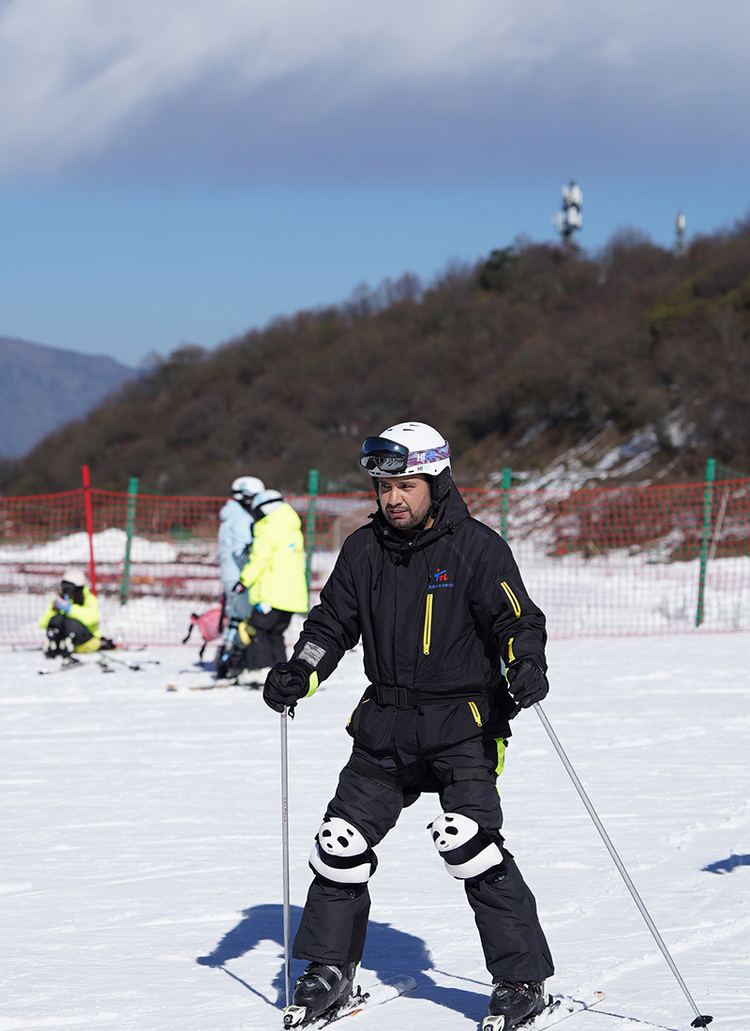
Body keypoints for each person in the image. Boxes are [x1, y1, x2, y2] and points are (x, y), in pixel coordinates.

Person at [263, 422, 554, 1028]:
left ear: (436, 480)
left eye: (407, 485)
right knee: (339, 846)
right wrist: (301, 670)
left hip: (463, 724)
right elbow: (329, 626)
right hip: (386, 724)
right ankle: (327, 971)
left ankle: (520, 980)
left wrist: (525, 663)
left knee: (469, 847)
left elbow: (516, 621)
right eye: (384, 486)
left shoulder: (476, 547)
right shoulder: (363, 549)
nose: (393, 498)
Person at [235, 489, 308, 685]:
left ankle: (260, 671)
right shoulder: (293, 529)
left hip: (272, 594)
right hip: (292, 597)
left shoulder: (269, 529)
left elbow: (259, 559)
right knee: (276, 633)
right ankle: (280, 672)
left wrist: (243, 580)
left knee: (257, 630)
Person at [215, 476, 265, 678]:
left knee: (234, 617)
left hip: (229, 575)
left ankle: (225, 657)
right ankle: (237, 660)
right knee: (244, 619)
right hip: (239, 577)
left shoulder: (228, 518)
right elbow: (241, 550)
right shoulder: (243, 520)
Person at [39, 567, 111, 659]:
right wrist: (53, 610)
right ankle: (53, 643)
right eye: (64, 588)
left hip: (86, 640)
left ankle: (68, 643)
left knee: (73, 623)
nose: (67, 592)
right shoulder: (59, 600)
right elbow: (42, 623)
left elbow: (93, 618)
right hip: (61, 640)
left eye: (69, 588)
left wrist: (70, 609)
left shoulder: (89, 599)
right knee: (56, 619)